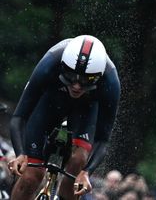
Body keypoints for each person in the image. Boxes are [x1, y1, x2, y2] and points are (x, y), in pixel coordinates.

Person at [7, 35, 121, 200]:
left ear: (98, 76)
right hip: (51, 100)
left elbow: (102, 140)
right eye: (71, 76)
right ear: (63, 67)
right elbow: (19, 117)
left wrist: (86, 172)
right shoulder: (50, 62)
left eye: (85, 80)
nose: (76, 85)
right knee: (32, 175)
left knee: (78, 161)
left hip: (86, 109)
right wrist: (21, 154)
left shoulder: (110, 81)